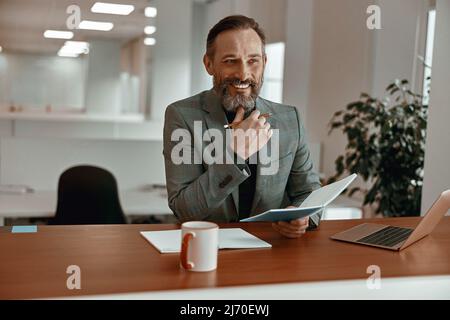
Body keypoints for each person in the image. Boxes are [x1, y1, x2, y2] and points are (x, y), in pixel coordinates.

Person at [163, 15, 321, 238]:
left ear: (264, 62)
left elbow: (309, 192)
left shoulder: (289, 118)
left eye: (253, 61)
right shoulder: (182, 116)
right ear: (209, 64)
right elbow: (185, 209)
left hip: (273, 251)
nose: (244, 74)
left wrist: (301, 216)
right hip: (210, 248)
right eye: (230, 61)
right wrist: (236, 155)